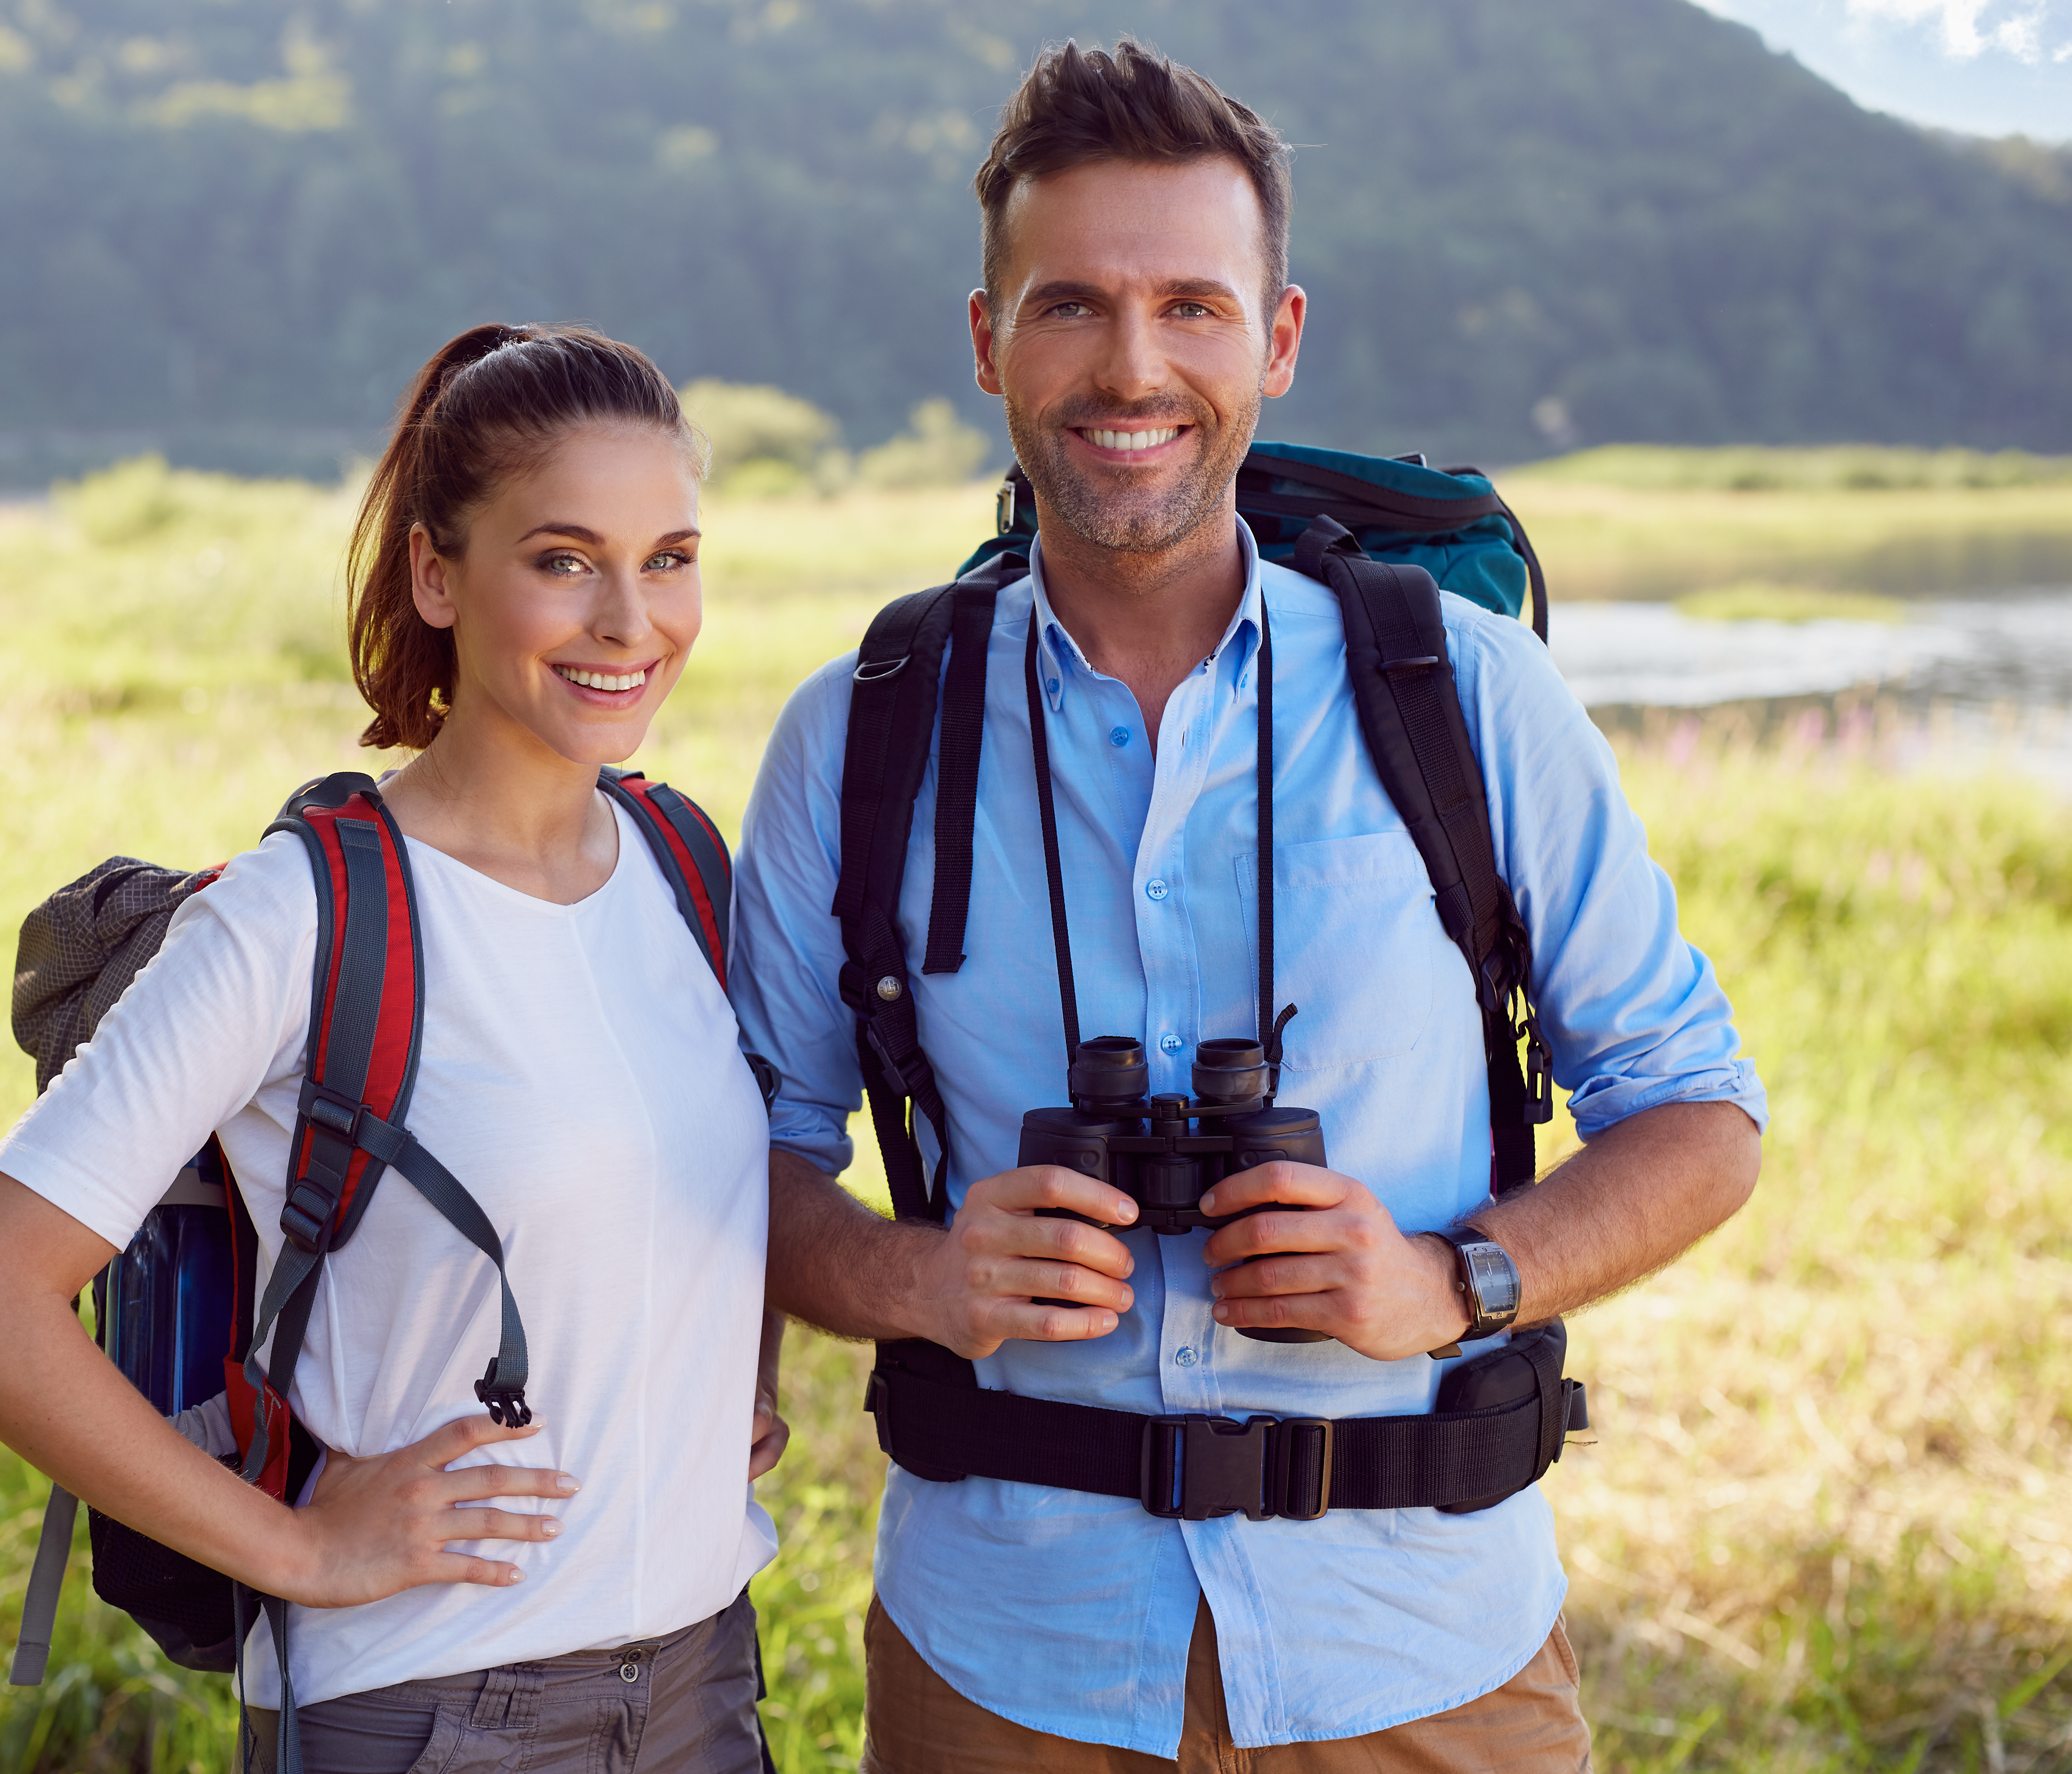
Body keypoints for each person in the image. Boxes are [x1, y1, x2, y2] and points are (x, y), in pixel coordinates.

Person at [728, 42, 1765, 1773]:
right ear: (986, 343)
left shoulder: (1471, 698)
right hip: (1006, 1662)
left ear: (1277, 340)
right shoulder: (861, 731)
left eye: (1192, 307)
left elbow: (1703, 1114)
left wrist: (1456, 1279)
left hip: (1426, 1654)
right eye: (1069, 307)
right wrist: (920, 1272)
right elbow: (749, 1151)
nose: (1133, 368)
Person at [0, 322, 785, 1774]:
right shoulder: (302, 914)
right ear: (439, 575)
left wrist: (723, 1373)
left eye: (671, 557)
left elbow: (686, 1172)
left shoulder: (684, 861)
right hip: (435, 1711)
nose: (634, 619)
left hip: (704, 1681)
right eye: (564, 560)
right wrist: (302, 1549)